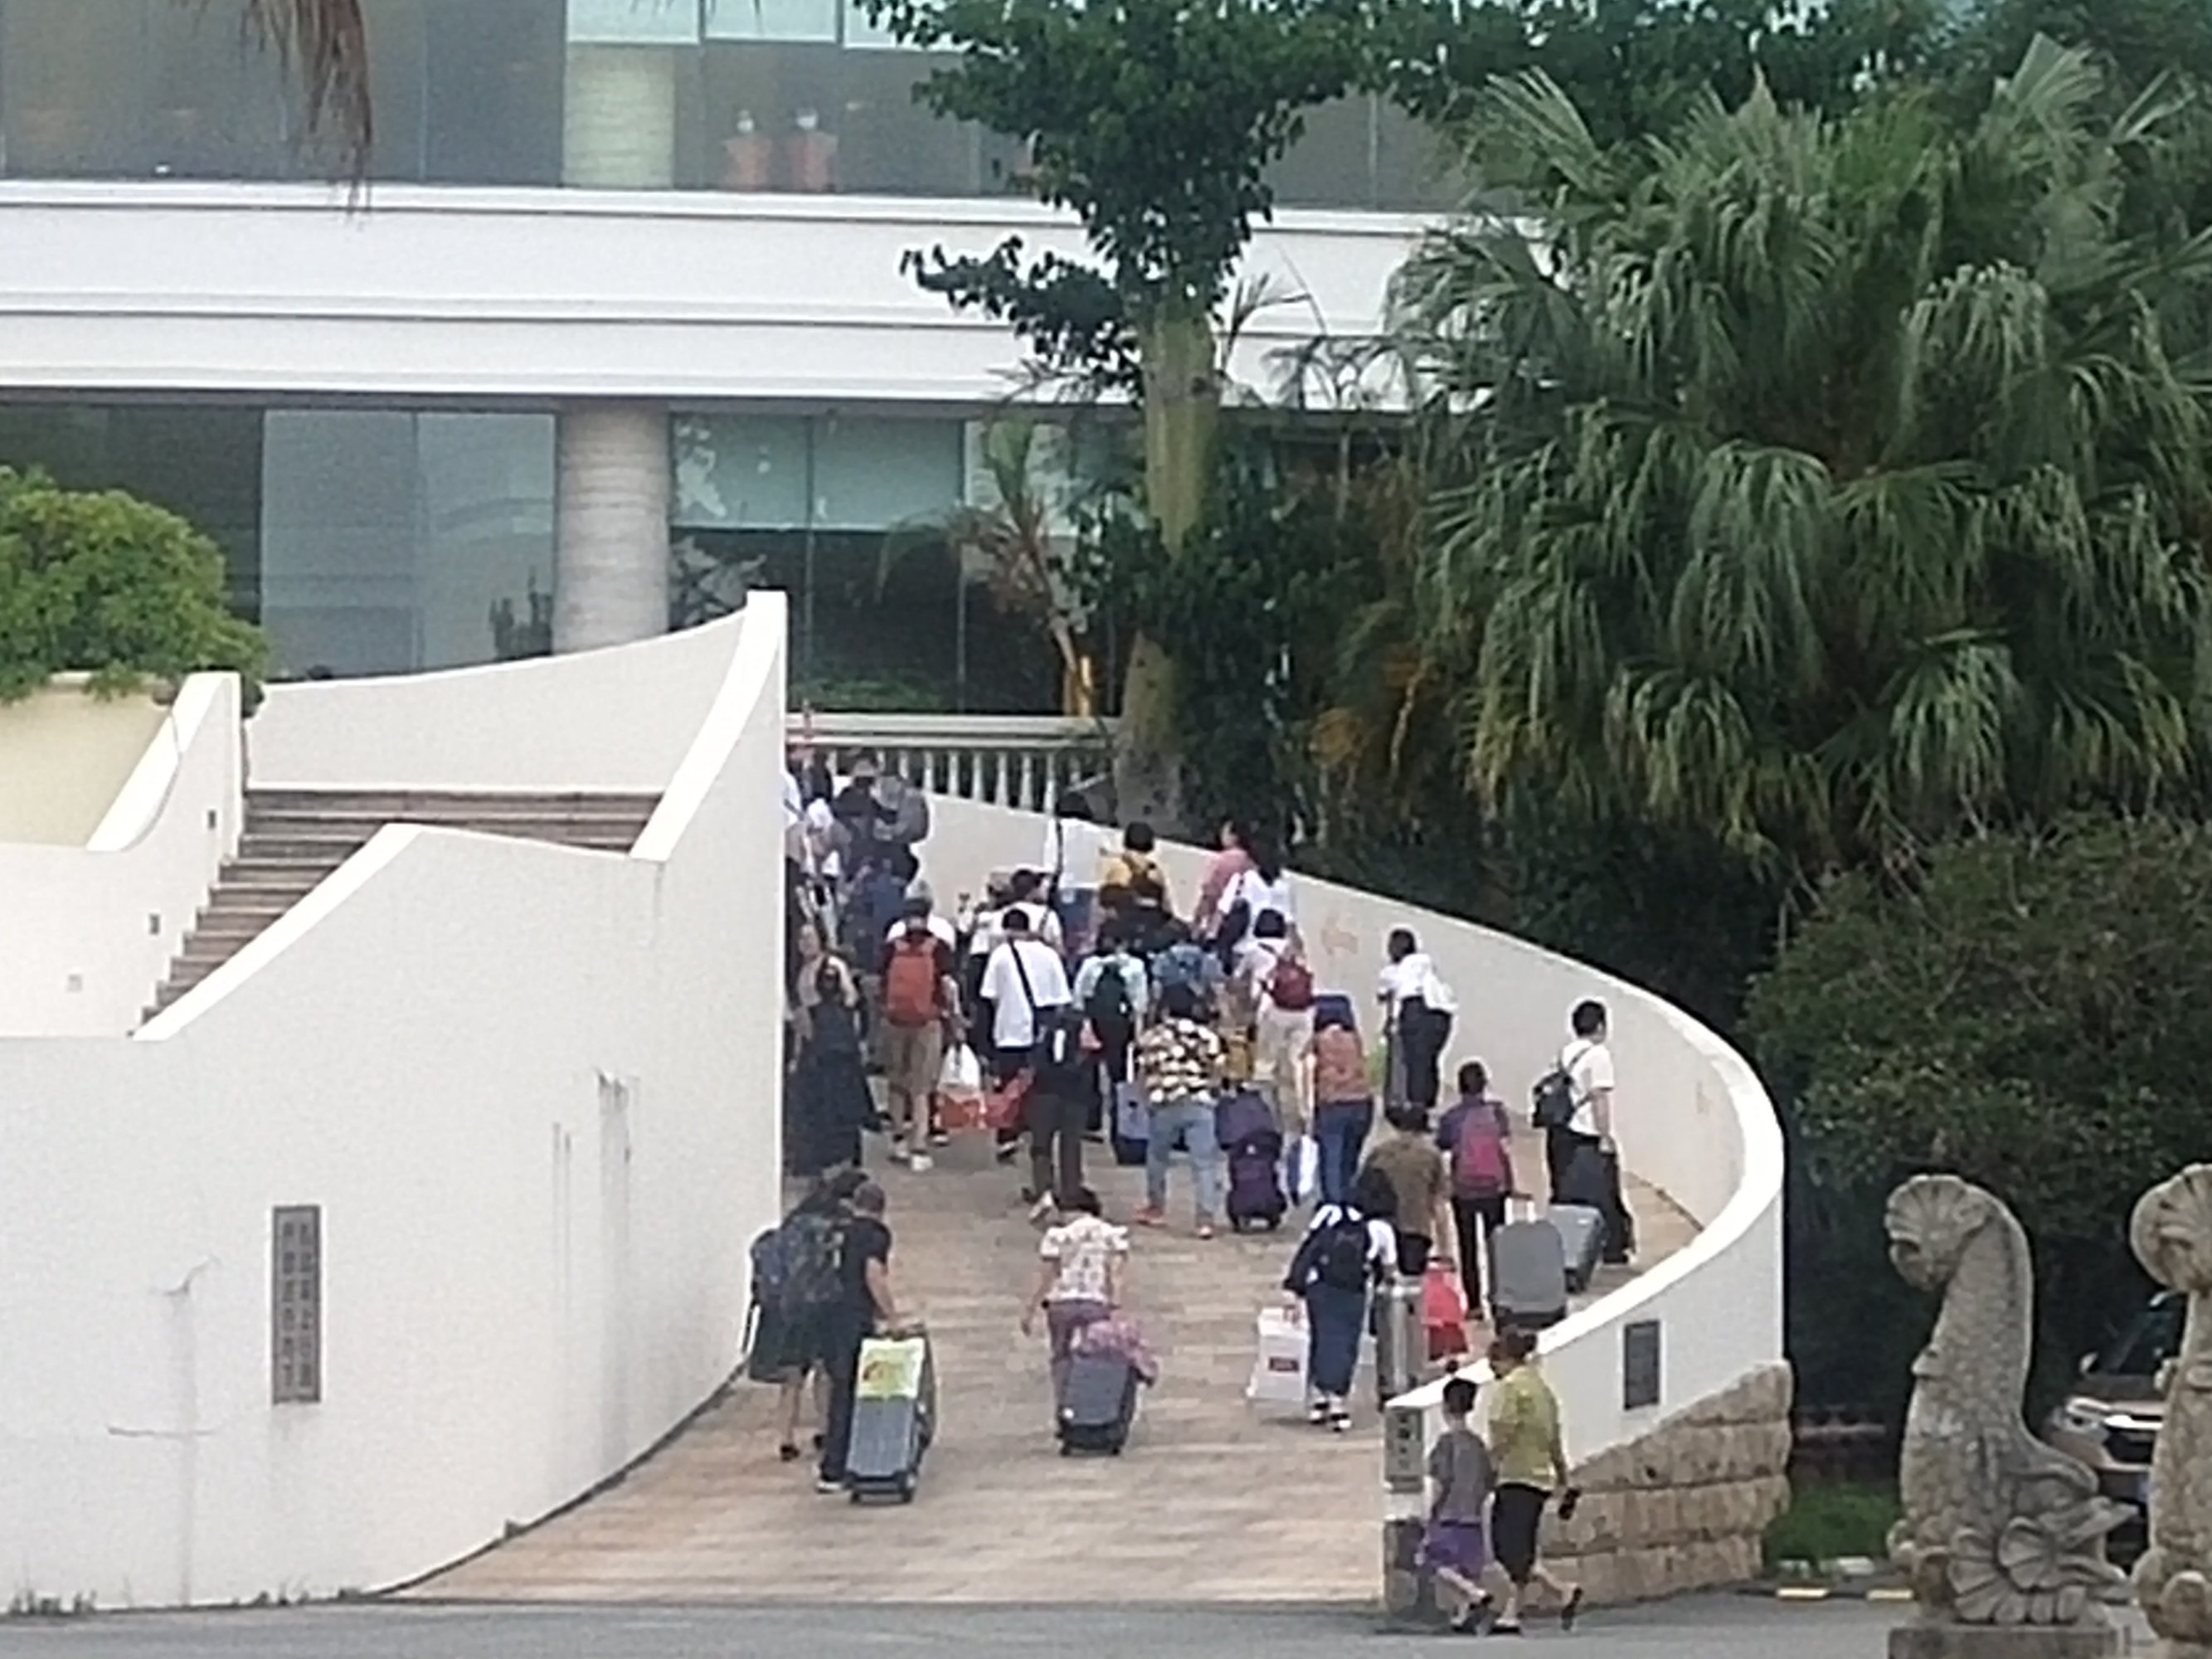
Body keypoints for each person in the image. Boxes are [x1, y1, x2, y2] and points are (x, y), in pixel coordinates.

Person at [753, 1169, 864, 1463]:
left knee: (792, 1378)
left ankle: (785, 1439)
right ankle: (824, 1430)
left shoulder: (794, 1222)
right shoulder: (838, 1224)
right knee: (824, 1372)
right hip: (822, 1307)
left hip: (787, 1309)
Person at [1281, 1164, 1399, 1431]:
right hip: (1353, 1291)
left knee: (1321, 1339)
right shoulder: (1381, 1229)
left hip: (1321, 1286)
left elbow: (1308, 1249)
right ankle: (1338, 1401)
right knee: (1345, 1345)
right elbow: (1389, 1268)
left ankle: (1319, 1398)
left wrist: (1294, 1287)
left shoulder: (1330, 1213)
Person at [1485, 1327, 1582, 1633]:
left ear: (1503, 1359)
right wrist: (1563, 1477)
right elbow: (1554, 1438)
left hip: (1514, 1474)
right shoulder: (1543, 1390)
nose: (1492, 1371)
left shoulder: (1511, 1388)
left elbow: (1503, 1429)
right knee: (1522, 1545)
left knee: (1507, 1547)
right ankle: (1522, 1607)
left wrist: (1491, 1465)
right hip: (1540, 1477)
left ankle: (1550, 1594)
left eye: (1493, 1364)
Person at [817, 1180, 902, 1493]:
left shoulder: (837, 1232)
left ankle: (831, 1460)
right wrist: (891, 1317)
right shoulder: (875, 1235)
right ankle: (840, 1465)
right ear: (881, 1209)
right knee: (851, 1391)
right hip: (853, 1317)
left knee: (836, 1387)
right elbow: (873, 1275)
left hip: (825, 1313)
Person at [1133, 981, 1228, 1238]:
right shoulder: (1205, 1036)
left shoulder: (1153, 1037)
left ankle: (1156, 1207)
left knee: (1157, 1157)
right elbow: (1219, 1069)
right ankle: (1205, 1220)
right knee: (1204, 1163)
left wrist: (1145, 1099)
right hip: (1199, 1102)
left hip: (1165, 1102)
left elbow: (1143, 1072)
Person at [1020, 1185, 1130, 1405]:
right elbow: (1115, 1275)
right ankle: (1090, 1402)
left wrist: (1030, 1309)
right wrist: (1116, 1306)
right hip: (1096, 1303)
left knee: (1061, 1356)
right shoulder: (1111, 1234)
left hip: (1061, 1302)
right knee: (1096, 1358)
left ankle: (1064, 1401)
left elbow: (1046, 1276)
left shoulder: (1058, 1235)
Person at [879, 898, 961, 1171]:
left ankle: (898, 1139)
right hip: (928, 1022)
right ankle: (919, 1145)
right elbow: (949, 986)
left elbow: (879, 981)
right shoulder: (939, 948)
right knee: (922, 1086)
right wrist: (955, 1019)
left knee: (896, 1081)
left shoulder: (892, 947)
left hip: (894, 1021)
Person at [1551, 998, 1632, 1264]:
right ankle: (1612, 1247)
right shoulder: (1599, 1055)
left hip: (1562, 1131)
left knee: (1568, 1192)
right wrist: (1605, 1136)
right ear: (1600, 1026)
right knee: (1604, 1193)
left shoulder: (1566, 1053)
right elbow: (1599, 1098)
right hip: (1586, 1133)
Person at [788, 922, 873, 1176]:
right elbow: (801, 1015)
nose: (806, 943)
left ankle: (846, 1158)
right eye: (802, 939)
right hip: (815, 1045)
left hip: (838, 1045)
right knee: (817, 1103)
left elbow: (852, 998)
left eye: (810, 938)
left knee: (842, 1101)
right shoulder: (801, 972)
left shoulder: (833, 966)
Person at [1435, 1060, 1515, 1317]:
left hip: (1464, 1190)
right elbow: (1505, 1148)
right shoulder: (1497, 1113)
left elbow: (1444, 1153)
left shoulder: (1451, 1118)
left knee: (1467, 1246)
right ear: (1484, 1084)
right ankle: (1500, 1298)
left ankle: (1474, 1304)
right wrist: (1510, 1182)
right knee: (1497, 1245)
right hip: (1495, 1189)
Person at [1422, 1375, 1499, 1633]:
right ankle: (1464, 1613)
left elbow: (1440, 1481)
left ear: (1445, 1406)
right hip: (1473, 1515)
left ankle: (1475, 1595)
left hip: (1449, 1513)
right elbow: (1489, 1480)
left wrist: (1431, 1510)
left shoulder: (1446, 1443)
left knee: (1436, 1562)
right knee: (1468, 1567)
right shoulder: (1478, 1444)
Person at [1359, 1103, 1460, 1280]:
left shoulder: (1379, 1153)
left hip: (1381, 1228)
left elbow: (1361, 1192)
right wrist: (1446, 1251)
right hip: (1416, 1229)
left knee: (1380, 1282)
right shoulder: (1431, 1155)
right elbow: (1439, 1207)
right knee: (1413, 1285)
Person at [1239, 909, 1316, 1141]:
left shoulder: (1252, 950)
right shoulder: (1294, 950)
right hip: (1302, 1011)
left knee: (1266, 1065)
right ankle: (1304, 1112)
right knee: (1297, 1062)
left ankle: (1268, 1118)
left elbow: (1240, 979)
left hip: (1271, 1009)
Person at [979, 904, 1074, 1082]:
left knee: (1011, 1087)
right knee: (1042, 1086)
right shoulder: (1050, 955)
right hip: (1043, 1034)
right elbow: (1062, 999)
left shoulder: (1000, 955)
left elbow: (990, 995)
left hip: (1009, 1033)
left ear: (1006, 930)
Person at [1073, 922, 1149, 1133]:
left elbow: (1079, 997)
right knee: (1120, 1075)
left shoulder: (1090, 964)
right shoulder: (1135, 966)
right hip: (1121, 1025)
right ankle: (1120, 1120)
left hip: (1094, 1023)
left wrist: (1083, 1024)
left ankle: (1092, 1120)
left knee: (1090, 1074)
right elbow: (1139, 1003)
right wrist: (1139, 1033)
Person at [1378, 927, 1457, 1112]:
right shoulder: (1427, 963)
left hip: (1416, 1011)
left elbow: (1389, 994)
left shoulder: (1394, 971)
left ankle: (1416, 1109)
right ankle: (1429, 1102)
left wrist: (1391, 1022)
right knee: (1430, 1061)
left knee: (1416, 1063)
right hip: (1442, 1015)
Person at [1310, 1006, 1374, 1205]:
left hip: (1332, 1103)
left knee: (1331, 1158)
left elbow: (1306, 1069)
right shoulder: (1355, 1039)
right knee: (1350, 1158)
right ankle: (1349, 1201)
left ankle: (1333, 1205)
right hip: (1361, 1102)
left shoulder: (1317, 1042)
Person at [1194, 817, 1252, 937]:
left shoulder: (1220, 861)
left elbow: (1209, 894)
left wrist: (1197, 922)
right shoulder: (1251, 863)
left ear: (1234, 836)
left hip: (1218, 923)